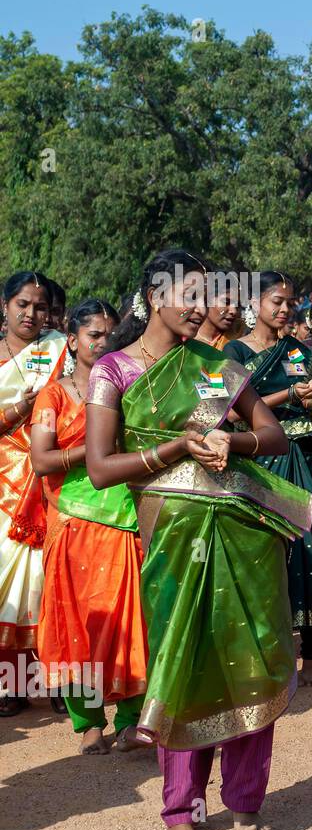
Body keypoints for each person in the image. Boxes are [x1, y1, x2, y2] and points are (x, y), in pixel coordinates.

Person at [85, 249, 312, 830]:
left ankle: (244, 799)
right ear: (155, 297)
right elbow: (102, 468)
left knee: (249, 655)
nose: (206, 307)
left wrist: (230, 443)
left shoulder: (215, 367)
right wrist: (175, 450)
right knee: (183, 659)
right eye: (192, 294)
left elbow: (273, 434)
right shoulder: (113, 372)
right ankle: (180, 806)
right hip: (172, 540)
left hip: (245, 536)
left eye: (209, 294)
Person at [32, 300, 148, 753]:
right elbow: (41, 460)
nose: (100, 343)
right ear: (72, 337)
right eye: (92, 335)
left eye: (107, 335)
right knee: (77, 619)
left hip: (124, 511)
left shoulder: (127, 387)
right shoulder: (55, 395)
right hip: (72, 516)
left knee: (128, 617)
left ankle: (131, 718)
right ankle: (87, 722)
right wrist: (94, 447)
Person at [224, 272, 312, 684]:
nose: (285, 309)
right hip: (261, 457)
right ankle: (269, 653)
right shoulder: (235, 351)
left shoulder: (297, 351)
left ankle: (311, 659)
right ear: (256, 304)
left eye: (291, 303)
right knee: (268, 556)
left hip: (308, 458)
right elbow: (234, 411)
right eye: (277, 301)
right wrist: (290, 395)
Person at [0, 272, 69, 717]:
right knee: (8, 582)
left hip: (55, 477)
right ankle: (11, 685)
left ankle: (61, 682)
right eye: (22, 304)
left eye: (40, 307)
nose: (31, 314)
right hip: (5, 482)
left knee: (53, 579)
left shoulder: (62, 348)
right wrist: (19, 409)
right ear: (5, 306)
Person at [194, 270, 242, 350]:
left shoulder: (241, 333)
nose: (234, 311)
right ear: (206, 299)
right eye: (226, 302)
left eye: (237, 305)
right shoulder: (184, 338)